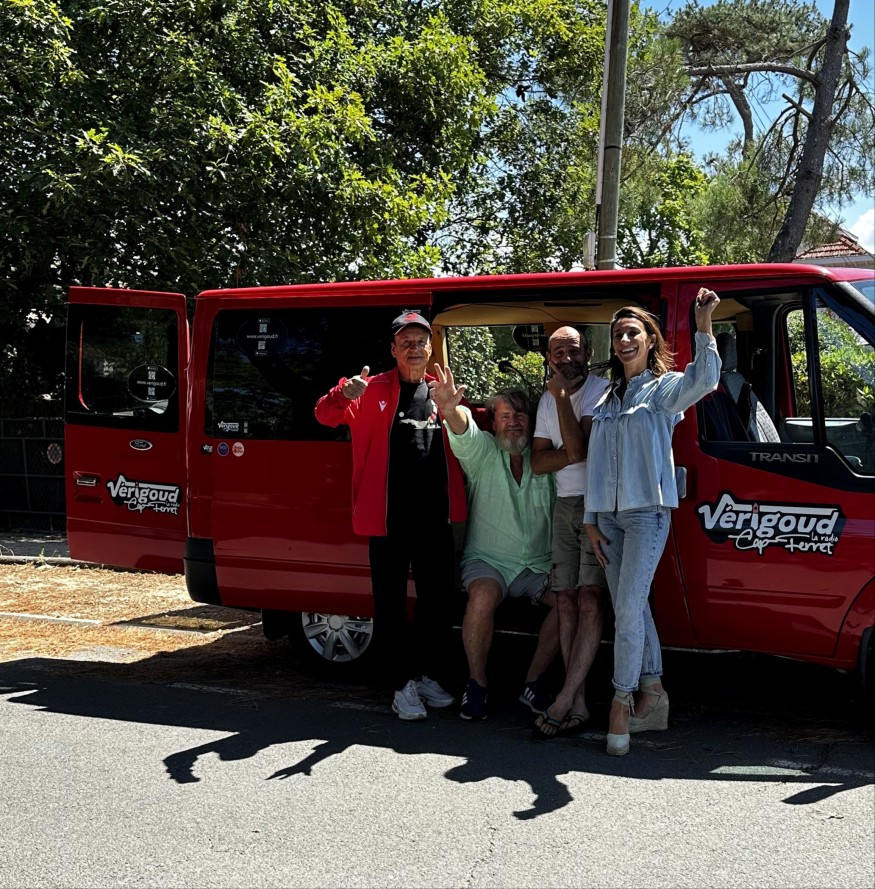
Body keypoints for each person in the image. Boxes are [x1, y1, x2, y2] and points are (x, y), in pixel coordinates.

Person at [584, 290, 721, 755]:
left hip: (647, 514)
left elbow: (706, 379)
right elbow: (597, 462)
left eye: (632, 333)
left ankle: (621, 702)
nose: (624, 340)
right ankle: (654, 693)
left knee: (627, 610)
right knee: (632, 607)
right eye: (618, 335)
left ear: (649, 340)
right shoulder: (607, 397)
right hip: (607, 518)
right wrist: (590, 518)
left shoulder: (663, 389)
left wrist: (703, 325)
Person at [314, 311, 467, 721]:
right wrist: (343, 394)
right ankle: (401, 685)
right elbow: (324, 415)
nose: (414, 348)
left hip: (435, 518)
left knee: (437, 603)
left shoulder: (440, 391)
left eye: (421, 342)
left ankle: (430, 675)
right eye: (406, 342)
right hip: (388, 519)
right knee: (391, 606)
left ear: (430, 348)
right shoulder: (369, 389)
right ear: (394, 350)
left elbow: (466, 438)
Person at [429, 368, 560, 721]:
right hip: (489, 561)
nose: (513, 422)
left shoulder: (545, 456)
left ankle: (533, 681)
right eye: (505, 416)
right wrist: (449, 410)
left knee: (570, 601)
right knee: (483, 596)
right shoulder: (484, 452)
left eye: (520, 415)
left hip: (538, 565)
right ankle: (477, 683)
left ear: (531, 421)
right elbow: (464, 431)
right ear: (494, 422)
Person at [529, 326, 610, 737]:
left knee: (591, 599)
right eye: (557, 352)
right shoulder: (548, 398)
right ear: (548, 357)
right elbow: (537, 463)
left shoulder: (601, 391)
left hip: (598, 504)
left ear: (588, 352)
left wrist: (562, 397)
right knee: (564, 599)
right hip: (565, 504)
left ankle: (564, 697)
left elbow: (581, 450)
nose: (566, 359)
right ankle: (576, 700)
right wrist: (567, 452)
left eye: (573, 351)